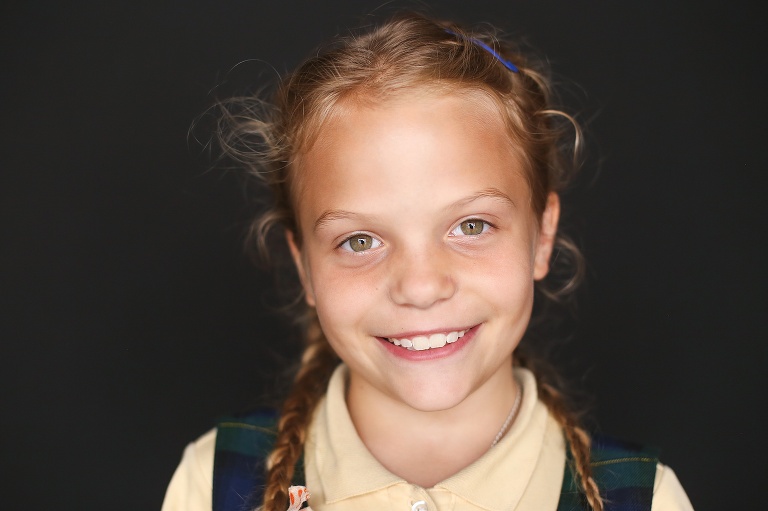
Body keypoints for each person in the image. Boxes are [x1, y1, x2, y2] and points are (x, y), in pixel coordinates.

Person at [162, 12, 693, 511]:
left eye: (471, 226)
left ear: (542, 235)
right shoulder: (212, 483)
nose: (419, 287)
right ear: (304, 266)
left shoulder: (645, 499)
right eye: (360, 241)